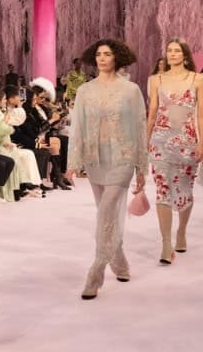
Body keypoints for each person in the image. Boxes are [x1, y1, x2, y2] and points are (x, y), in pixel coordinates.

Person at [66, 39, 147, 299]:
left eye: (108, 54)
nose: (102, 58)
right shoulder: (85, 91)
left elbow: (140, 126)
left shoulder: (130, 90)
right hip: (95, 158)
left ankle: (96, 270)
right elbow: (77, 125)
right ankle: (119, 260)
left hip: (122, 157)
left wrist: (142, 166)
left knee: (105, 211)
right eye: (99, 54)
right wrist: (73, 162)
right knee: (107, 214)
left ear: (117, 58)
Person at [146, 38, 203, 261]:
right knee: (163, 189)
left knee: (185, 191)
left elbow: (201, 114)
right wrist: (146, 140)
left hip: (187, 141)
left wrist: (201, 142)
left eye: (177, 51)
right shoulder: (155, 79)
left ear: (185, 55)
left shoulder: (197, 79)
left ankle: (181, 231)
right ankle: (166, 244)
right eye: (169, 50)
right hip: (160, 140)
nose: (172, 54)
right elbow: (152, 113)